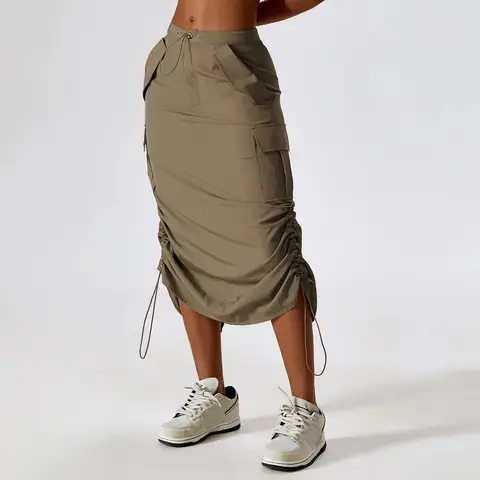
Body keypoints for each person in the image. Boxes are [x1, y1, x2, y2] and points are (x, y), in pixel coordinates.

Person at [140, 0, 327, 472]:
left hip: (234, 65)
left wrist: (249, 15)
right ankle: (214, 394)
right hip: (172, 63)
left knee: (267, 238)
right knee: (187, 226)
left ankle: (306, 410)